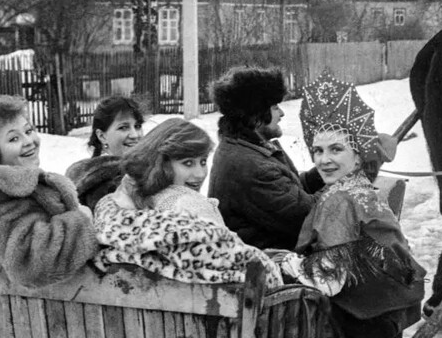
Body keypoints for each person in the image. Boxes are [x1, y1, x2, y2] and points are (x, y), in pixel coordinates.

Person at [279, 73, 425, 338]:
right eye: (318, 150)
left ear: (358, 157)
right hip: (396, 297)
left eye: (336, 149)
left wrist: (284, 263)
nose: (323, 160)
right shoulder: (356, 187)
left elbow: (329, 279)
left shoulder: (340, 200)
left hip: (369, 311)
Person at [93, 119, 282, 288]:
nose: (200, 174)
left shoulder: (125, 202)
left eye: (203, 161)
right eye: (188, 163)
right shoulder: (187, 205)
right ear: (161, 164)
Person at [0, 95, 100, 287]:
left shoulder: (18, 186)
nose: (29, 141)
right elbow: (29, 265)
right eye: (14, 138)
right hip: (44, 308)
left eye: (29, 130)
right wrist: (82, 219)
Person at [207, 67, 325, 250]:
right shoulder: (250, 166)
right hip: (274, 268)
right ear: (256, 114)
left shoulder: (246, 149)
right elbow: (313, 219)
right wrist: (345, 178)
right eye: (275, 106)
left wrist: (323, 172)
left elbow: (288, 192)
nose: (282, 113)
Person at [66, 96, 145, 211]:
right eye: (123, 127)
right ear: (102, 136)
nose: (135, 135)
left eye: (137, 126)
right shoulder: (107, 183)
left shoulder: (140, 170)